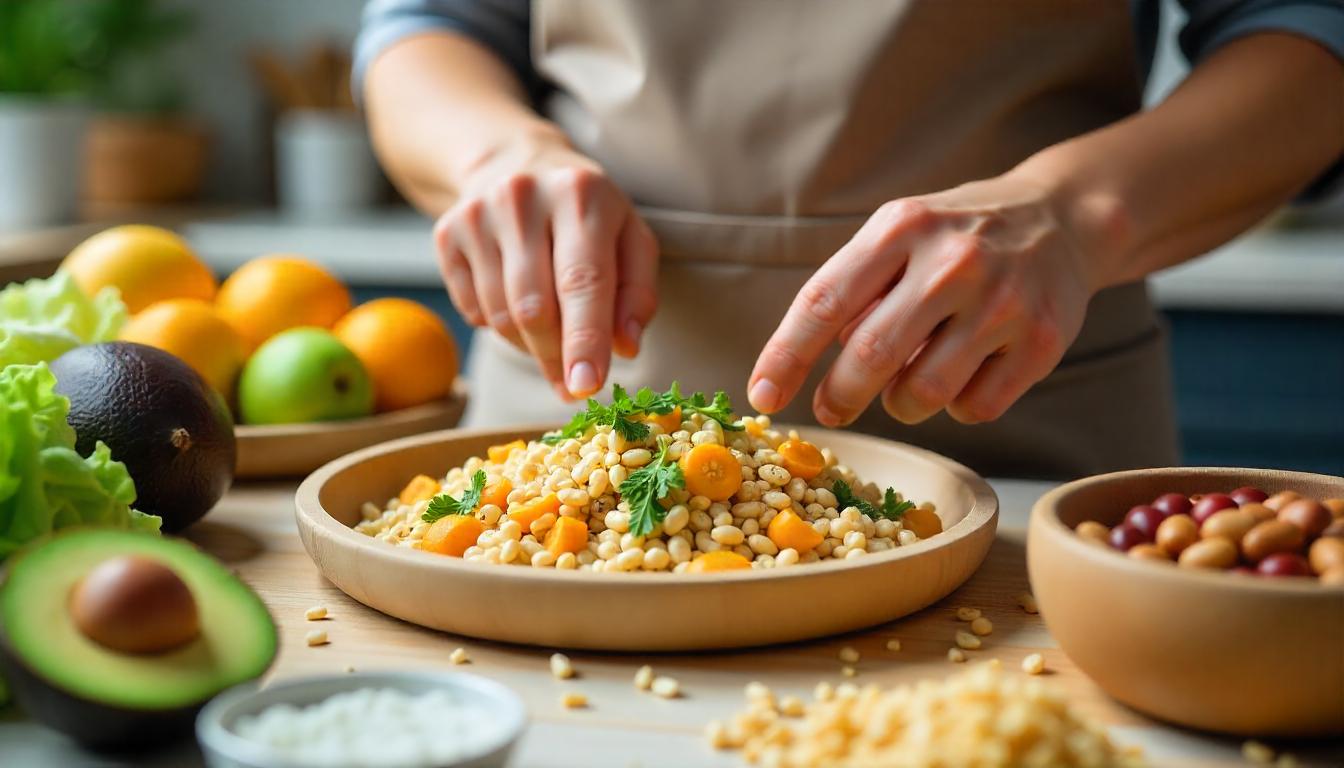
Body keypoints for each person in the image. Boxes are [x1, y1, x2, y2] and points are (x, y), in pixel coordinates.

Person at [355, 0, 1344, 477]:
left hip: (1023, 416)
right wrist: (492, 156)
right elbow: (426, 25)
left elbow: (1310, 32)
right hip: (567, 428)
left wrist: (1075, 213)